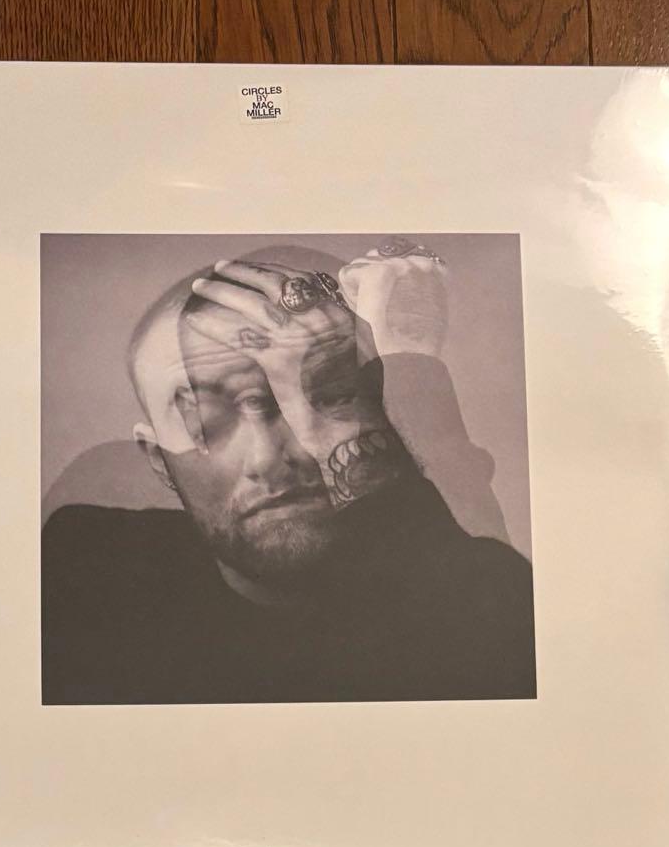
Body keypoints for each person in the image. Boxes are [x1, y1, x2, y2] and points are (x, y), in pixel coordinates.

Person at [42, 241, 535, 704]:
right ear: (158, 460)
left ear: (386, 409)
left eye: (332, 394)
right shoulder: (88, 575)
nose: (266, 459)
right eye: (206, 422)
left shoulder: (476, 598)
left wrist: (410, 370)